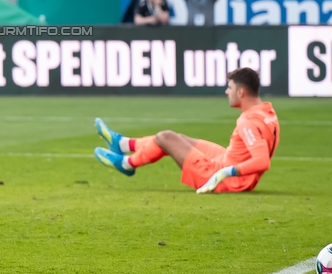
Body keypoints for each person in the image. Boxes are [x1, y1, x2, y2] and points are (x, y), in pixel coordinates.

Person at [93, 67, 280, 194]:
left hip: (224, 178)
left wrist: (224, 173)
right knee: (178, 139)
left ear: (241, 92)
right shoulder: (267, 112)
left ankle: (127, 164)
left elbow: (262, 161)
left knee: (165, 137)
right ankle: (123, 143)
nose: (226, 92)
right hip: (231, 164)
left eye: (229, 88)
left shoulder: (247, 121)